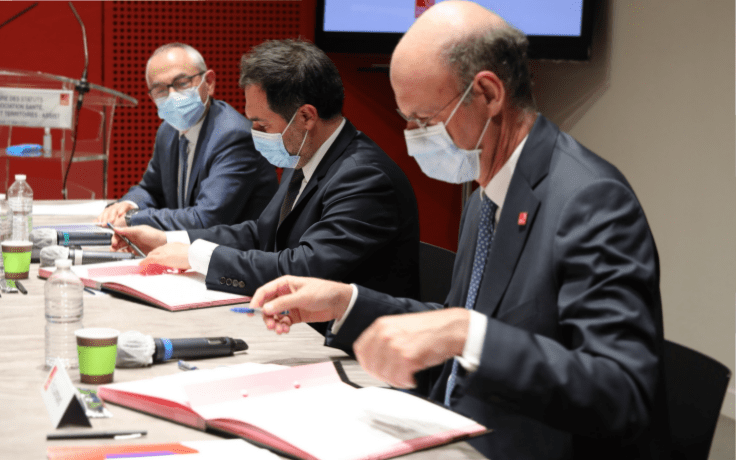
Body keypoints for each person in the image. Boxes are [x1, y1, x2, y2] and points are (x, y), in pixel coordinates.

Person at [249, 3, 668, 459]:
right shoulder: (487, 192)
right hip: (448, 429)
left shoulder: (589, 200)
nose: (412, 137)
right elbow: (452, 321)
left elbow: (622, 393)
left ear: (488, 93)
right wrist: (345, 301)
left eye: (425, 120)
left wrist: (468, 332)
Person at [113, 39, 421, 312]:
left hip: (351, 345)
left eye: (262, 125)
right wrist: (168, 239)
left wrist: (196, 256)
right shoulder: (304, 153)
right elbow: (261, 233)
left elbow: (303, 267)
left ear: (306, 117)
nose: (255, 133)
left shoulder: (364, 177)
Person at [96, 43, 278, 230]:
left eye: (182, 83)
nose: (172, 95)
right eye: (160, 90)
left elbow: (205, 219)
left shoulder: (234, 136)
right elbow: (151, 189)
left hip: (238, 247)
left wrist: (133, 218)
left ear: (209, 82)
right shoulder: (168, 131)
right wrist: (128, 205)